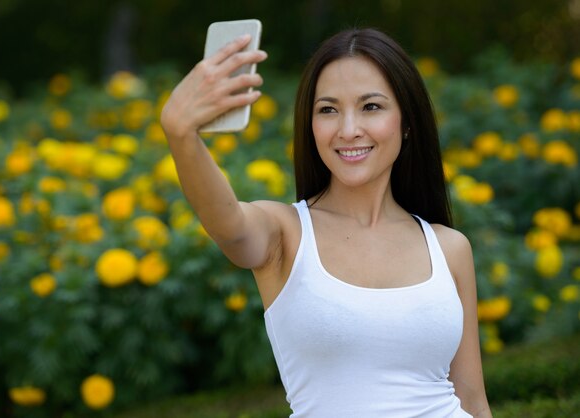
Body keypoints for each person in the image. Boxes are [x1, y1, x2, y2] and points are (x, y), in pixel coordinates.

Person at [160, 27, 492, 418]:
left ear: (406, 123)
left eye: (371, 106)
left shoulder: (449, 247)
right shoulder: (286, 233)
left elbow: (472, 401)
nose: (348, 129)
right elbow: (229, 225)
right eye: (328, 110)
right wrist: (181, 135)